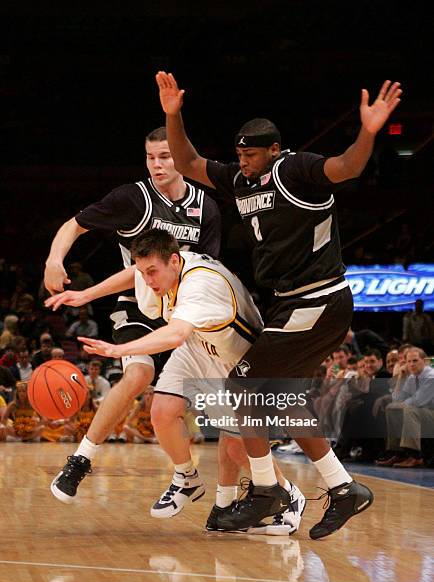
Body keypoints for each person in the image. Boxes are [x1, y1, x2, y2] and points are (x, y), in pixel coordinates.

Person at [156, 71, 401, 537]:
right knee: (280, 401)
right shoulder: (241, 179)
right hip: (290, 304)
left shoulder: (296, 170)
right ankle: (344, 487)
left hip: (320, 298)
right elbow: (188, 161)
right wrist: (173, 114)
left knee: (242, 386)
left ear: (273, 149)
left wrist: (368, 131)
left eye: (250, 154)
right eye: (239, 154)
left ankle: (267, 490)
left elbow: (347, 167)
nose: (242, 162)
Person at [48, 229, 306, 535]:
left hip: (236, 361)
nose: (147, 280)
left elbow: (175, 335)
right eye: (144, 272)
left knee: (238, 450)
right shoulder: (160, 270)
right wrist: (86, 295)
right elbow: (133, 273)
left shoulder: (200, 285)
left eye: (152, 272)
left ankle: (291, 496)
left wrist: (120, 350)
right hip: (199, 345)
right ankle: (187, 478)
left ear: (174, 260)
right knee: (162, 411)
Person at [44, 126, 221, 501]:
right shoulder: (133, 199)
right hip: (138, 303)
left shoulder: (205, 207)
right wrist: (54, 259)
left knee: (230, 391)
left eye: (165, 156)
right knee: (139, 373)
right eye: (150, 157)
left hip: (185, 308)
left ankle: (251, 488)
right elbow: (74, 226)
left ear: (180, 156)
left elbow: (206, 270)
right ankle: (81, 460)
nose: (157, 165)